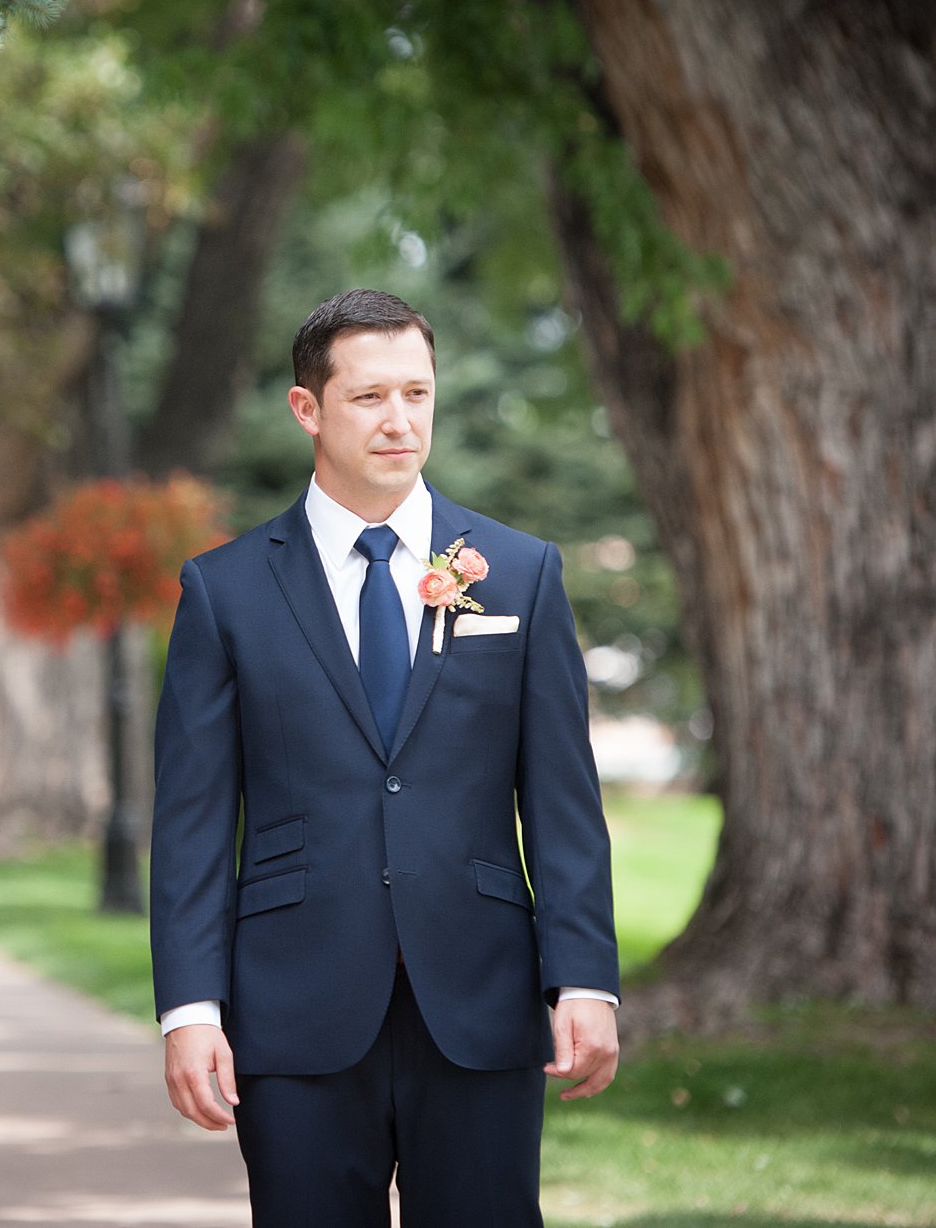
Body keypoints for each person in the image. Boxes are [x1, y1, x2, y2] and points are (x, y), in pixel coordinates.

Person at [149, 289, 620, 1226]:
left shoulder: (522, 572)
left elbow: (563, 797)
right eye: (369, 397)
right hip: (294, 1007)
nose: (400, 420)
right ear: (307, 409)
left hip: (479, 999)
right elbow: (193, 821)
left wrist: (586, 977)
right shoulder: (225, 590)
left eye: (418, 392)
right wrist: (190, 1008)